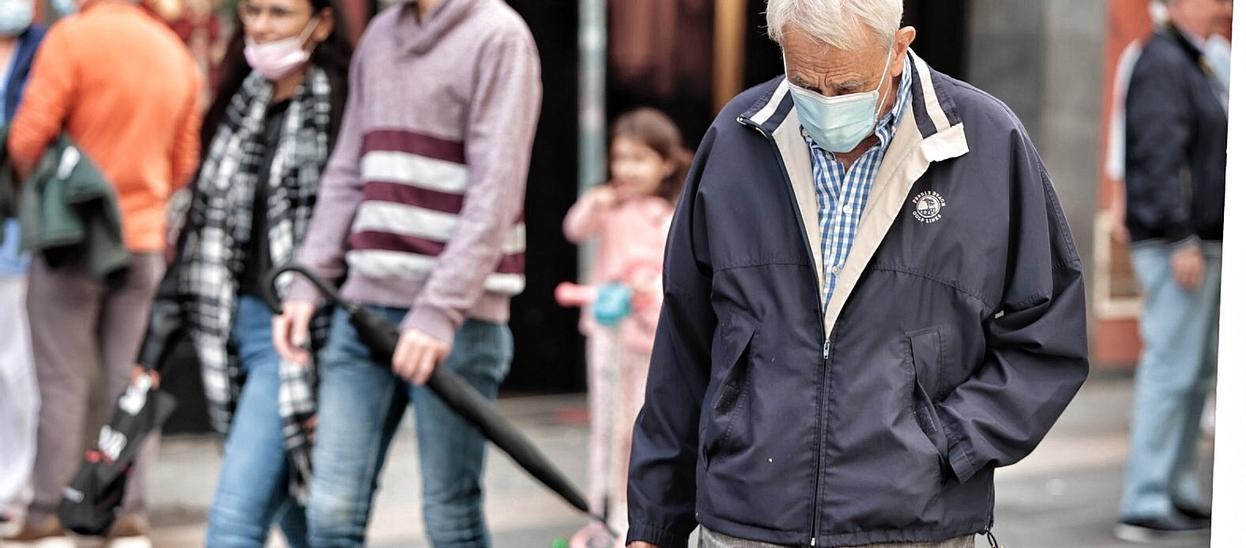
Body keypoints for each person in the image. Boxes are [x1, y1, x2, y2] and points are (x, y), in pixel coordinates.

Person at [625, 0, 1090, 546]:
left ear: (898, 47)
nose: (824, 103)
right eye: (804, 82)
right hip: (744, 518)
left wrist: (948, 443)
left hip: (914, 527)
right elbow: (683, 346)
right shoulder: (735, 138)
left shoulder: (988, 142)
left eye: (846, 87)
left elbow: (1049, 334)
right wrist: (654, 524)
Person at [271, 0, 541, 545]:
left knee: (449, 516)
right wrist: (307, 283)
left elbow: (496, 189)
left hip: (459, 321)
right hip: (365, 302)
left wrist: (439, 310)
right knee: (329, 513)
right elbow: (349, 167)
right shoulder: (379, 36)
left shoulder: (499, 36)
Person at [131, 0, 351, 544]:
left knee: (233, 520)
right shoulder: (239, 101)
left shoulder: (343, 104)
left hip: (301, 335)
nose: (262, 26)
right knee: (301, 519)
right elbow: (198, 232)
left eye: (280, 13)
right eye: (253, 11)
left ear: (321, 23)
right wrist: (154, 352)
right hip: (233, 327)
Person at [3, 0, 202, 541]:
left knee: (61, 382)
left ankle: (47, 511)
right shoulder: (171, 50)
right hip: (143, 240)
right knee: (132, 380)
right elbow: (185, 160)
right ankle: (126, 507)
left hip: (75, 240)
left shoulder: (71, 40)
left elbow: (26, 137)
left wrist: (47, 190)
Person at [1115, 0, 1231, 542]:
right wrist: (1180, 234)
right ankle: (1145, 498)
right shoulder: (1163, 60)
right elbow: (1156, 154)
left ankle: (1177, 489)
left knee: (1196, 373)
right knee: (1171, 370)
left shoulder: (1197, 60)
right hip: (1175, 244)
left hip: (1196, 241)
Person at [563, 108, 688, 546]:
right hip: (607, 333)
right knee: (606, 427)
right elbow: (574, 229)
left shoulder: (668, 215)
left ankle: (635, 516)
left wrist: (647, 286)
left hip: (651, 337)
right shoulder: (609, 209)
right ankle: (601, 513)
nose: (627, 169)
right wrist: (592, 202)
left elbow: (672, 274)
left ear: (666, 164)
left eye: (640, 159)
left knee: (643, 425)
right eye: (621, 158)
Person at [0, 0, 43, 535]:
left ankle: (18, 484)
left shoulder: (42, 50)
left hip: (18, 233)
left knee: (16, 367)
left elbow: (32, 139)